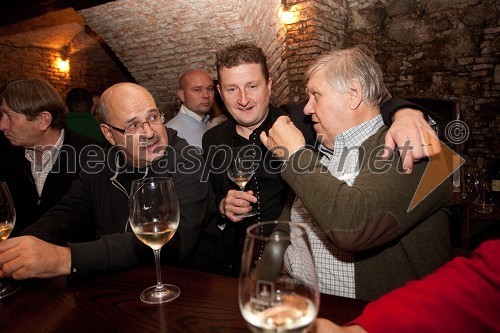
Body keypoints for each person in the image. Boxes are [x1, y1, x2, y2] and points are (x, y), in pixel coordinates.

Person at [202, 42, 440, 277]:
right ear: (221, 93)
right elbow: (286, 223)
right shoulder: (213, 139)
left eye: (252, 86)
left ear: (269, 86)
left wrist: (406, 113)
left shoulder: (300, 125)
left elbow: (375, 102)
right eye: (232, 89)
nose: (243, 99)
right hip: (245, 272)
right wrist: (223, 207)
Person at [260, 46, 451, 300]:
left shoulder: (413, 145)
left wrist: (295, 156)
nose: (306, 109)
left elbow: (354, 227)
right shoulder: (320, 150)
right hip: (298, 305)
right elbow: (285, 230)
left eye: (316, 95)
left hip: (367, 318)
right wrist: (257, 286)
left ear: (353, 94)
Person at [0, 82, 221, 280]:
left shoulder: (188, 161)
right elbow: (66, 215)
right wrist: (18, 249)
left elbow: (174, 243)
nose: (149, 132)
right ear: (108, 134)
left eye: (153, 117)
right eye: (133, 126)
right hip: (120, 288)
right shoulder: (98, 164)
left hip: (189, 288)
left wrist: (65, 259)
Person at [307, 239, 500, 333]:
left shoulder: (436, 161)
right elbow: (479, 281)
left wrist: (294, 158)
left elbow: (353, 229)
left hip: (356, 305)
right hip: (321, 305)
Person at [0, 78, 101, 237]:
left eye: (9, 116)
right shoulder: (5, 158)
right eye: (2, 115)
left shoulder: (92, 157)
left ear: (43, 120)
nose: (2, 125)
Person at [166, 69, 215, 148]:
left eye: (209, 89)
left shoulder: (206, 123)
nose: (206, 95)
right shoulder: (172, 133)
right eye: (197, 90)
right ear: (182, 95)